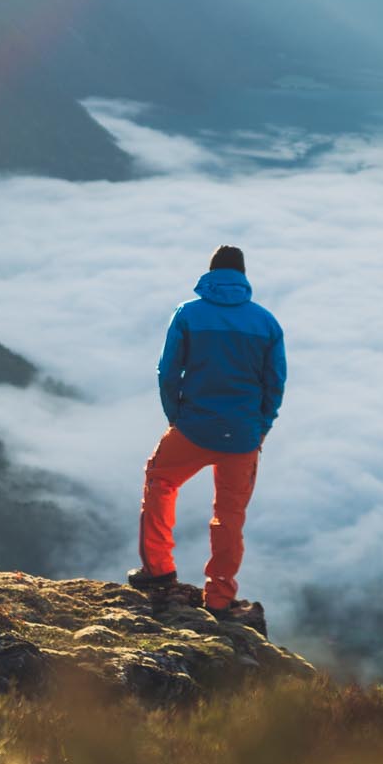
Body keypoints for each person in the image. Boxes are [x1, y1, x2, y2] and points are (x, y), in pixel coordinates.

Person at [130, 244, 284, 628]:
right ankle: (219, 598)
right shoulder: (266, 323)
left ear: (211, 274)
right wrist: (261, 426)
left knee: (160, 481)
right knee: (229, 516)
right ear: (244, 277)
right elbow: (275, 383)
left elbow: (168, 372)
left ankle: (159, 570)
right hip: (243, 437)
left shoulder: (188, 314)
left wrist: (176, 417)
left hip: (194, 428)